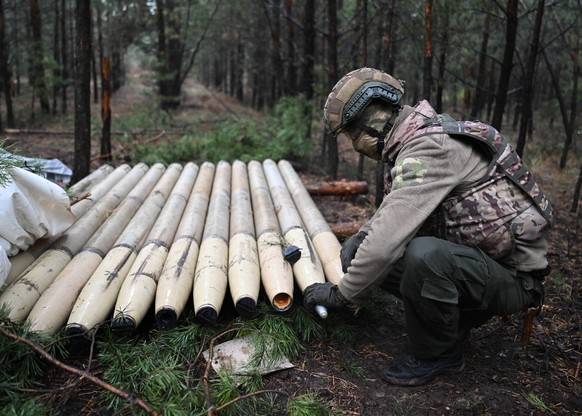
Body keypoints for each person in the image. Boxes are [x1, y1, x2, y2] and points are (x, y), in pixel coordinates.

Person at [303, 67, 553, 386]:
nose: (355, 145)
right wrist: (361, 238)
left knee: (423, 256)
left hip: (515, 279)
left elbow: (386, 244)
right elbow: (395, 214)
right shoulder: (421, 139)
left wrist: (341, 296)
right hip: (482, 262)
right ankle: (453, 318)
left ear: (374, 121)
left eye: (354, 134)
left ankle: (439, 353)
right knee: (361, 249)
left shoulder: (429, 148)